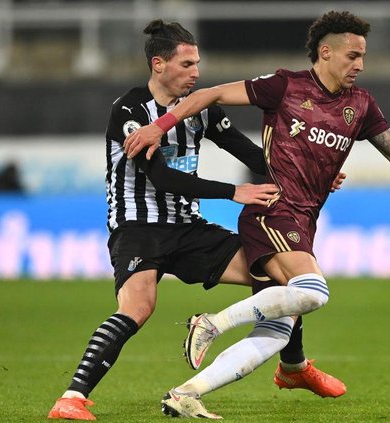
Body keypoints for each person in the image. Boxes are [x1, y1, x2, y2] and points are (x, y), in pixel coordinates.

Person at [124, 10, 390, 419]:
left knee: (277, 332)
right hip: (272, 212)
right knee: (314, 291)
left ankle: (186, 393)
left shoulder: (361, 105)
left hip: (302, 222)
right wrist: (161, 125)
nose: (360, 65)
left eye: (363, 56)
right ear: (326, 53)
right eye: (353, 55)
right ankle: (212, 323)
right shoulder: (285, 86)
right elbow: (210, 94)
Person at [48, 19, 346, 421]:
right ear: (159, 64)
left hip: (188, 227)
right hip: (138, 228)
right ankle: (71, 398)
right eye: (187, 64)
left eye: (197, 64)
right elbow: (162, 178)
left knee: (277, 275)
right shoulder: (130, 111)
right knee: (138, 307)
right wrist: (233, 191)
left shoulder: (199, 110)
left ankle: (293, 368)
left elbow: (249, 152)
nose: (196, 72)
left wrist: (311, 172)